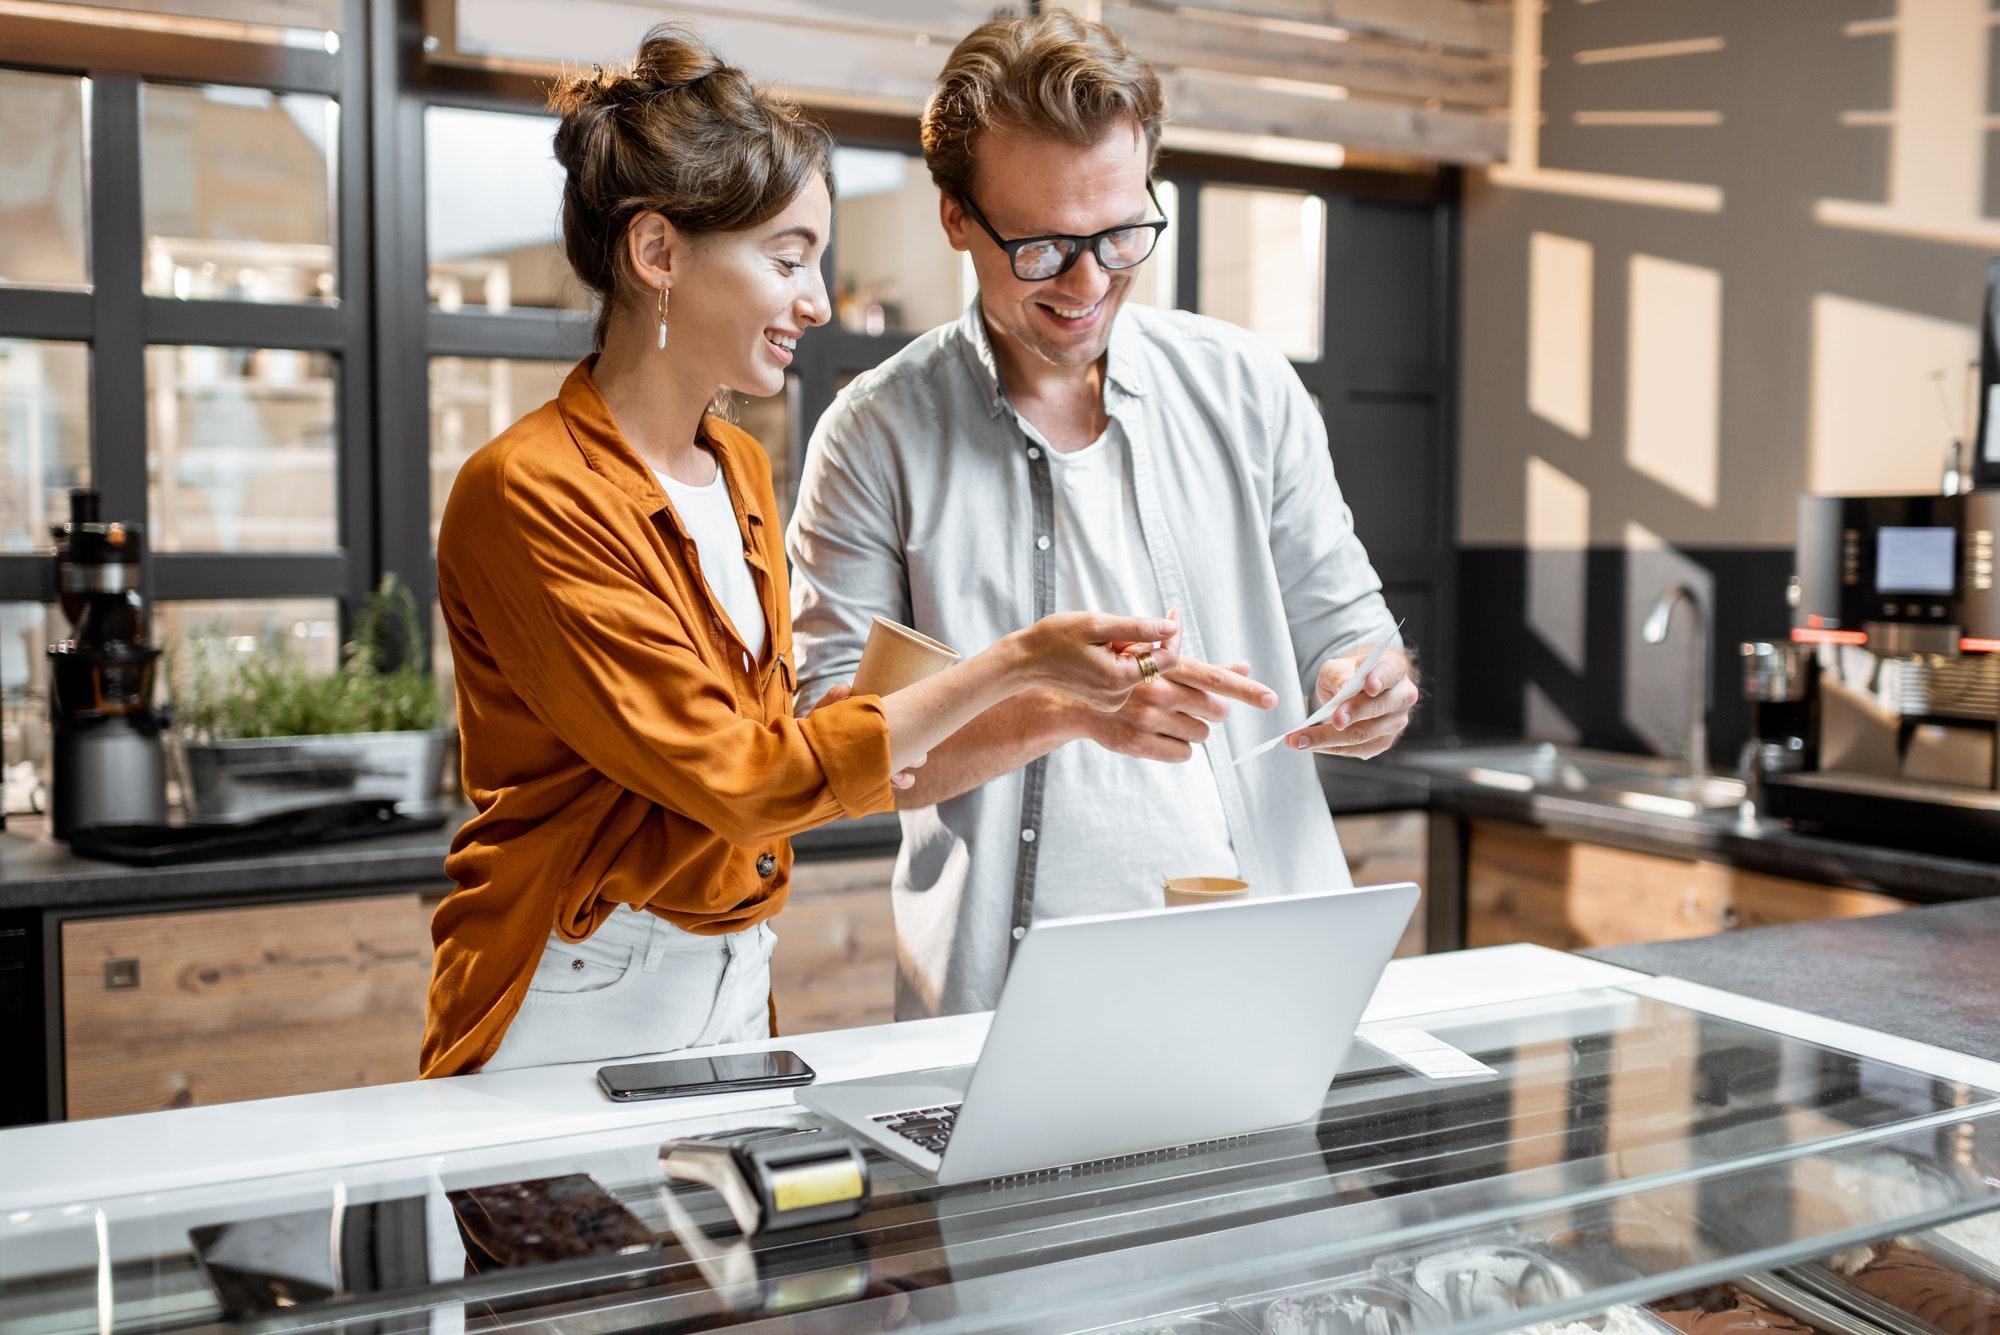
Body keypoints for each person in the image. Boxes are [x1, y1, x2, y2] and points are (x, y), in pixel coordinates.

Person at [422, 27, 1179, 1078]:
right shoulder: (530, 491)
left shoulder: (731, 466)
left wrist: (1056, 708)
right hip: (571, 981)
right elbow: (746, 782)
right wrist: (1017, 661)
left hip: (729, 972)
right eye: (787, 258)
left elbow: (799, 752)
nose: (818, 300)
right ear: (657, 255)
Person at [786, 11, 1421, 1020]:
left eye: (1121, 233)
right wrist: (1064, 711)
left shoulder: (1246, 385)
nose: (1087, 284)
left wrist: (1368, 685)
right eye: (1040, 246)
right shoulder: (875, 436)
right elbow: (842, 757)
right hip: (999, 1012)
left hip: (1272, 983)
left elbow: (1349, 630)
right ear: (955, 216)